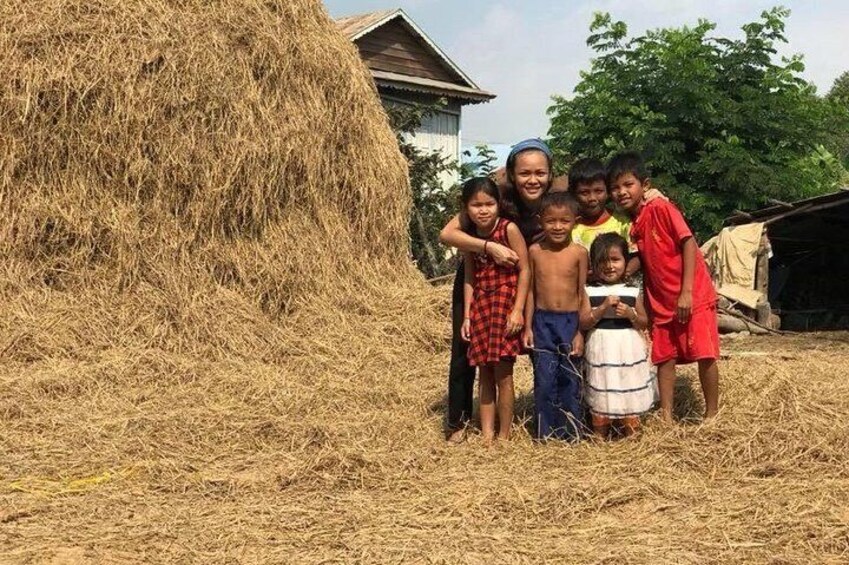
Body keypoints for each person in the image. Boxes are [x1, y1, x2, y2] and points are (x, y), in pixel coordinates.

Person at [439, 139, 554, 442]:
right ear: (511, 175)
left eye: (540, 173)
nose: (533, 179)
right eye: (524, 172)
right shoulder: (494, 198)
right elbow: (447, 234)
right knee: (466, 356)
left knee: (526, 354)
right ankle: (459, 422)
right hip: (480, 281)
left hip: (519, 289)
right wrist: (490, 247)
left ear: (550, 174)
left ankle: (549, 419)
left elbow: (597, 186)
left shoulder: (556, 197)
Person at [608, 151, 720, 422]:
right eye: (615, 187)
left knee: (705, 352)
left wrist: (687, 292)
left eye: (628, 185)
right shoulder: (632, 223)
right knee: (664, 357)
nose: (622, 192)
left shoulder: (660, 208)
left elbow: (688, 243)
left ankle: (712, 414)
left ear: (644, 185)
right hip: (660, 299)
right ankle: (666, 416)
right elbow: (643, 260)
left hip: (691, 295)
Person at [458, 177, 530, 443]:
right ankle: (487, 435)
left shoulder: (508, 229)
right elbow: (470, 277)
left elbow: (525, 270)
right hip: (481, 309)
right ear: (466, 208)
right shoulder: (470, 238)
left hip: (504, 305)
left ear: (498, 205)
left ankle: (504, 435)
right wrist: (467, 315)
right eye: (476, 205)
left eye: (489, 203)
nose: (483, 210)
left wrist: (518, 310)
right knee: (484, 373)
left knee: (503, 373)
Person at [522, 191, 588, 440]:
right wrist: (528, 326)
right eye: (551, 221)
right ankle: (544, 432)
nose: (558, 227)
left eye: (564, 221)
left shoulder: (579, 253)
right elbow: (530, 291)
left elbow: (582, 293)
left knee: (570, 378)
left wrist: (580, 332)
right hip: (542, 321)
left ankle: (571, 432)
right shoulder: (535, 251)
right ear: (541, 221)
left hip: (570, 321)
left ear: (575, 221)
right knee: (545, 379)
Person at [579, 233, 657, 438]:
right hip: (601, 346)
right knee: (603, 383)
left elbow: (643, 320)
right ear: (593, 265)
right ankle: (600, 432)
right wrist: (602, 308)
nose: (609, 266)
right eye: (602, 261)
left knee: (626, 380)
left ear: (625, 261)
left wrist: (631, 314)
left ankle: (630, 429)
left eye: (615, 259)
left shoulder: (632, 290)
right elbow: (584, 321)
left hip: (627, 346)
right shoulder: (588, 291)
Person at [569, 157, 640, 276]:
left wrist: (624, 273)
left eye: (598, 191)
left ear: (607, 192)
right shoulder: (571, 228)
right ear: (573, 194)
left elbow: (637, 255)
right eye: (584, 192)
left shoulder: (622, 221)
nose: (592, 198)